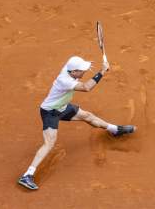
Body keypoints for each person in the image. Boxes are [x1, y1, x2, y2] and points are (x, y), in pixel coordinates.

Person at [17, 56, 136, 190]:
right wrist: (102, 72)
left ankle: (115, 130)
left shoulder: (70, 69)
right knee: (49, 143)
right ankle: (27, 175)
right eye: (82, 70)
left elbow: (76, 66)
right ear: (73, 72)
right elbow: (86, 87)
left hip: (62, 106)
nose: (84, 72)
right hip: (50, 112)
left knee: (88, 116)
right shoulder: (65, 80)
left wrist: (86, 65)